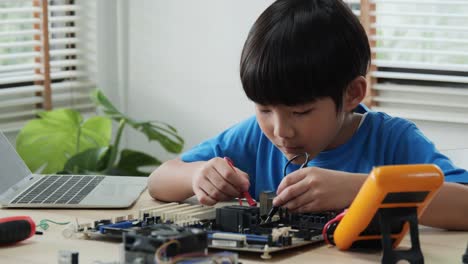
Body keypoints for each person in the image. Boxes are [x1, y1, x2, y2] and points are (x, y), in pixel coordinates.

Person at [148, 0, 468, 230]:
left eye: (301, 111)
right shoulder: (254, 137)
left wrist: (363, 191)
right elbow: (159, 181)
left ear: (352, 95)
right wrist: (197, 175)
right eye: (264, 109)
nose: (280, 130)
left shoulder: (392, 140)